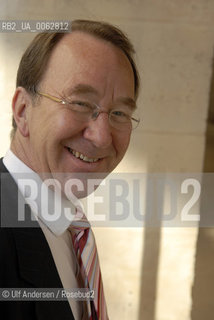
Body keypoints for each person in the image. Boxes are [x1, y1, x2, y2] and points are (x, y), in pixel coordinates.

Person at [0, 19, 140, 319]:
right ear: (23, 111)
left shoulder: (69, 229)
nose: (102, 137)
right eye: (79, 103)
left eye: (118, 113)